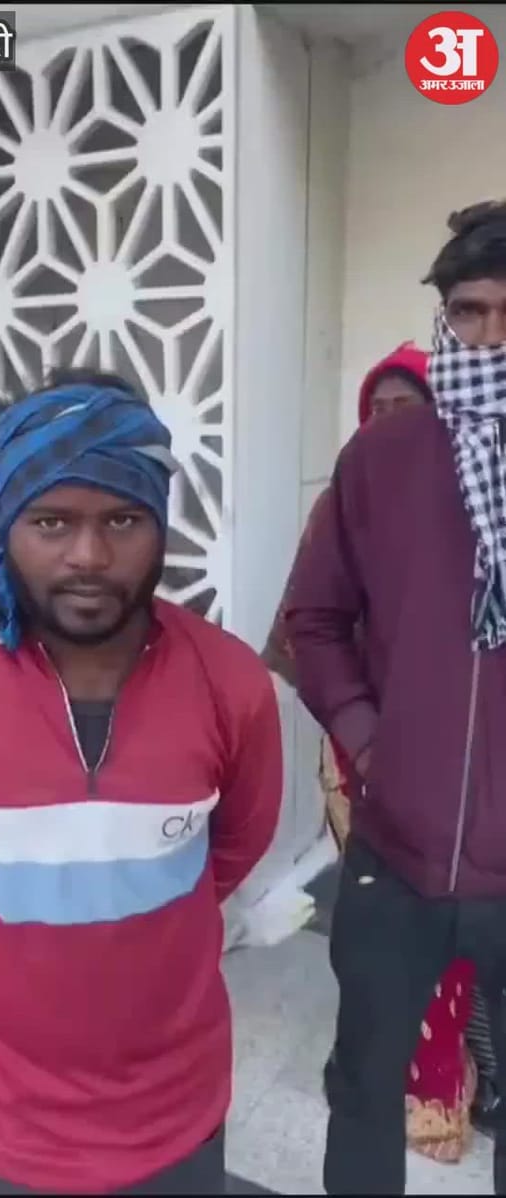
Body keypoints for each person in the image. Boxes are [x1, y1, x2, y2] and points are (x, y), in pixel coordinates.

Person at [0, 368, 283, 1197]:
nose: (89, 556)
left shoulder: (231, 685)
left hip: (176, 1115)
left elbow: (234, 847)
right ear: (5, 523)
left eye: (122, 519)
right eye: (52, 521)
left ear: (160, 521)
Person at [284, 199, 506, 1195]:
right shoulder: (382, 459)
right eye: (470, 312)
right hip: (395, 857)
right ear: (443, 319)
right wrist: (370, 739)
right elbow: (315, 617)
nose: (489, 339)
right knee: (364, 1087)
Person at [265, 343, 479, 1163]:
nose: (389, 424)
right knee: (380, 934)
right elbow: (304, 620)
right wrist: (360, 727)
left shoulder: (475, 495)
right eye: (377, 411)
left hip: (465, 767)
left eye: (406, 408)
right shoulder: (347, 499)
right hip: (364, 758)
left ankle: (437, 1086)